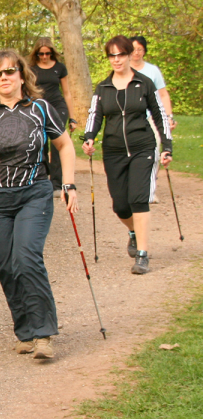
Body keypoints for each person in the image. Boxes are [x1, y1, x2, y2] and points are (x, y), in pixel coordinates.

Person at [0, 49, 78, 360]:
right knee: (6, 266)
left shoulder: (40, 108)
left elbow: (64, 144)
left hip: (34, 193)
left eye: (10, 71)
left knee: (27, 258)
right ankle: (24, 332)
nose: (4, 77)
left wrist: (69, 184)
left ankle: (43, 334)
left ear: (22, 75)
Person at [83, 36, 173, 275]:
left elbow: (159, 115)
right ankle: (133, 232)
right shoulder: (103, 87)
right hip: (113, 151)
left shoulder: (143, 83)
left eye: (120, 55)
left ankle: (142, 255)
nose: (116, 60)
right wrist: (89, 137)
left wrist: (167, 145)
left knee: (138, 199)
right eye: (111, 56)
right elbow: (94, 115)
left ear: (129, 55)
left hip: (142, 147)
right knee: (121, 205)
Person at [28, 37, 78, 195]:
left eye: (47, 53)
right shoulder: (32, 69)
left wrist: (72, 117)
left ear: (52, 53)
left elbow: (67, 93)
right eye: (41, 54)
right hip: (39, 108)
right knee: (41, 143)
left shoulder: (60, 68)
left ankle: (57, 183)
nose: (44, 57)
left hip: (58, 107)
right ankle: (43, 178)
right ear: (36, 53)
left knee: (59, 144)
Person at [129, 36, 175, 129]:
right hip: (128, 119)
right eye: (133, 49)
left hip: (151, 118)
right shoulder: (122, 70)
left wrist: (169, 117)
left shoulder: (153, 70)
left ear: (144, 51)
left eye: (139, 49)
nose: (136, 52)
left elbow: (163, 95)